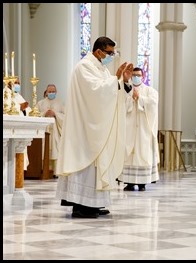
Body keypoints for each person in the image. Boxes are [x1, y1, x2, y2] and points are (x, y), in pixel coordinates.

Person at [55, 36, 133, 218]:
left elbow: (111, 91)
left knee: (98, 164)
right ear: (98, 51)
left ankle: (94, 203)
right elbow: (95, 92)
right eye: (110, 53)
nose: (112, 56)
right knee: (86, 164)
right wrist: (115, 79)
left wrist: (124, 82)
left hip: (97, 126)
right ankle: (81, 205)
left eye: (114, 53)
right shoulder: (84, 66)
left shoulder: (102, 69)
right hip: (84, 128)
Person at [117, 67, 160, 192]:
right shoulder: (127, 90)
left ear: (143, 76)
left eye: (138, 75)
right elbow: (122, 105)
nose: (136, 77)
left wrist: (140, 98)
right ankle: (129, 182)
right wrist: (132, 99)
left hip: (143, 130)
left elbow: (153, 104)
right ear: (130, 76)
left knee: (143, 153)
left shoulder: (150, 91)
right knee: (128, 153)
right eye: (134, 75)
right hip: (130, 129)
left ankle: (142, 183)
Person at [36, 84, 65, 177]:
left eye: (53, 91)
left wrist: (55, 114)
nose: (51, 93)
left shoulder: (60, 103)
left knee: (56, 149)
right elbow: (35, 115)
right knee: (43, 148)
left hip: (56, 130)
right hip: (44, 130)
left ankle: (55, 172)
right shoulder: (40, 103)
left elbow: (66, 117)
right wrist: (45, 113)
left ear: (56, 92)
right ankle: (42, 170)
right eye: (50, 91)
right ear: (46, 92)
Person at [3, 78, 32, 170]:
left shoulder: (18, 95)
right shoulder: (5, 93)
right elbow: (6, 108)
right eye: (15, 83)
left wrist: (27, 109)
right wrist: (20, 107)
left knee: (20, 149)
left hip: (20, 129)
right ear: (9, 83)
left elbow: (28, 110)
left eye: (19, 83)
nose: (17, 85)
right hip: (10, 130)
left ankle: (18, 175)